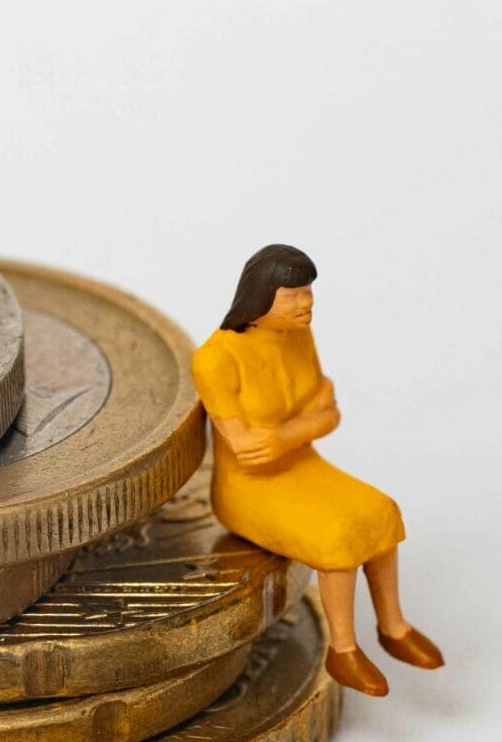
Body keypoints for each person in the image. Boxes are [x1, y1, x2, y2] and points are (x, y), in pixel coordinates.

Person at [190, 245, 445, 696]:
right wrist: (301, 425)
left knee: (382, 511)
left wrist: (286, 434)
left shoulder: (299, 337)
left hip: (303, 465)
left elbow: (330, 416)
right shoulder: (216, 358)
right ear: (260, 298)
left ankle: (393, 626)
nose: (305, 304)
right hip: (248, 490)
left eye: (308, 293)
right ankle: (343, 648)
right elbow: (248, 449)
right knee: (337, 534)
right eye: (293, 295)